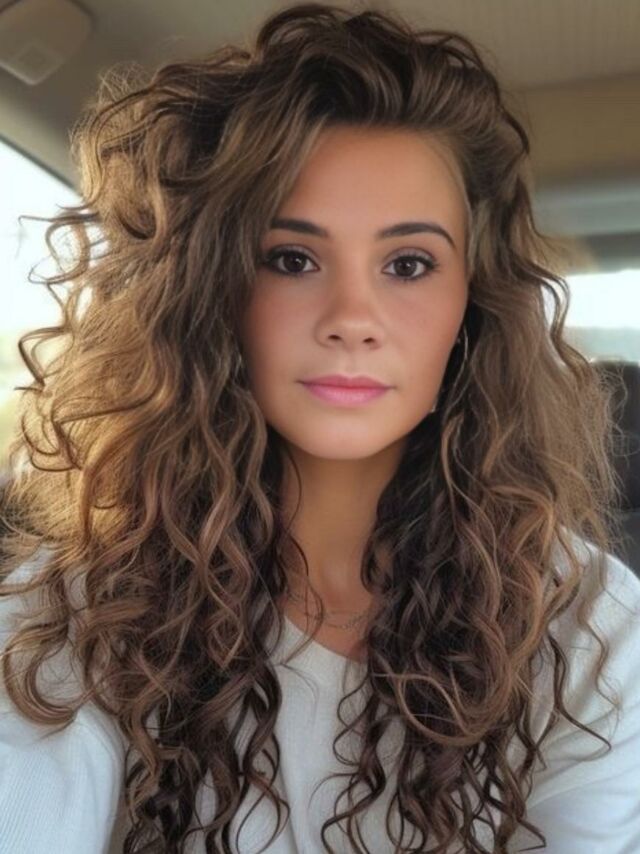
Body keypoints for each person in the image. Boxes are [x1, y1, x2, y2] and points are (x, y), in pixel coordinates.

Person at [1, 3, 639, 853]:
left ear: (472, 306)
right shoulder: (66, 613)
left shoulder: (592, 629)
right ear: (212, 295)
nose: (352, 319)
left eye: (408, 264)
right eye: (292, 259)